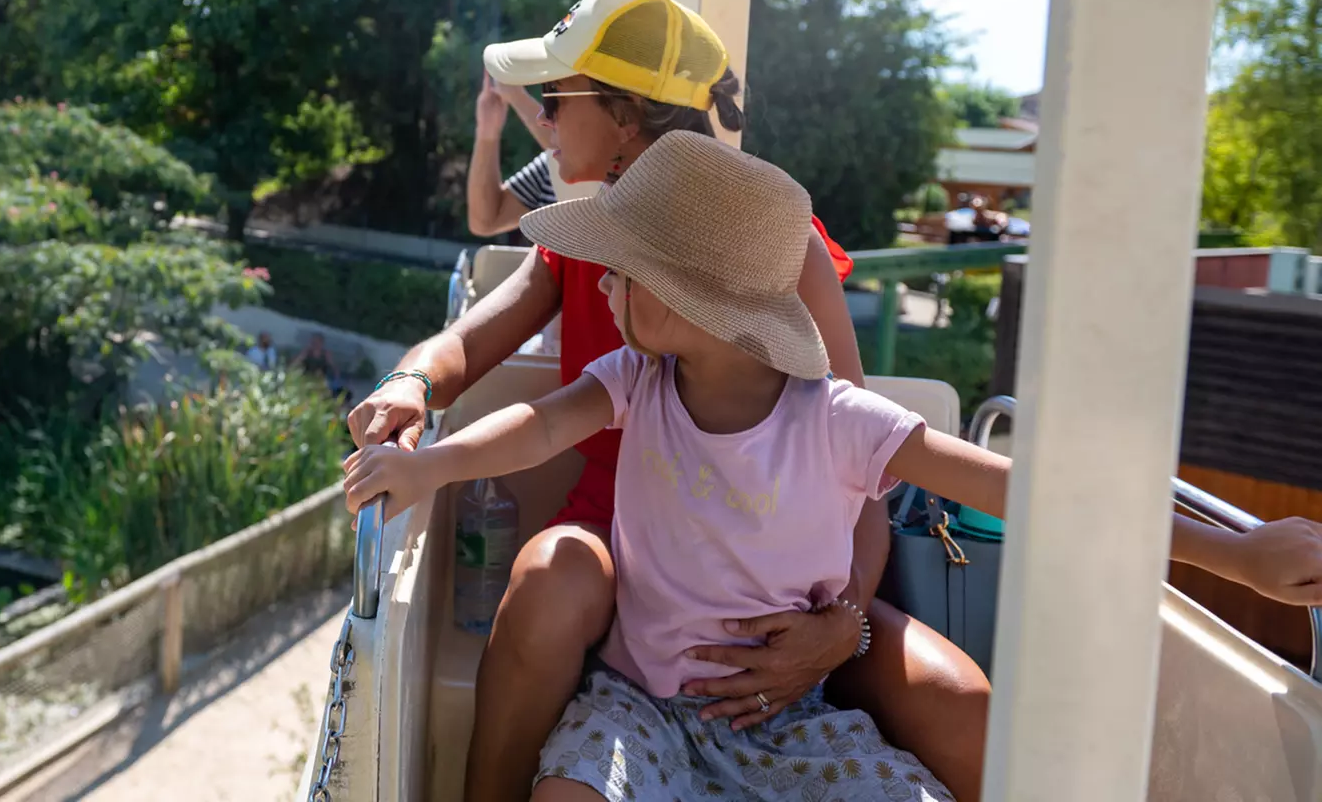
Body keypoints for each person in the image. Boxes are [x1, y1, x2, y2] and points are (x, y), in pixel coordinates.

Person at [345, 132, 1322, 802]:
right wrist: (430, 468)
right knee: (567, 792)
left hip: (791, 719)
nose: (604, 284)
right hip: (640, 706)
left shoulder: (848, 423)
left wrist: (1230, 558)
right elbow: (532, 428)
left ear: (701, 306)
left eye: (626, 272)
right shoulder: (633, 379)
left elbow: (1031, 498)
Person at [349, 0, 992, 801]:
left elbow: (850, 462)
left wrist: (840, 626)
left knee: (963, 703)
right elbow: (473, 338)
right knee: (551, 581)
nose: (542, 120)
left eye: (555, 98)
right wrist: (410, 382)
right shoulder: (592, 236)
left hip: (777, 570)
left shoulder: (760, 247)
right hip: (621, 543)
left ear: (622, 116)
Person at [470, 70, 561, 237]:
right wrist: (487, 133)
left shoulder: (615, 173)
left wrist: (517, 97)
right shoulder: (551, 164)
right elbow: (484, 222)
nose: (543, 117)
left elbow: (567, 148)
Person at [297, 332, 347, 398]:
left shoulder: (326, 354)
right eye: (314, 342)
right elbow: (296, 362)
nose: (315, 344)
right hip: (307, 377)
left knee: (325, 393)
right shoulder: (307, 352)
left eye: (317, 342)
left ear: (321, 343)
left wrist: (337, 377)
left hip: (320, 378)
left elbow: (333, 366)